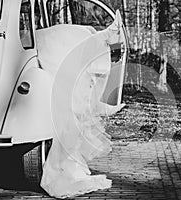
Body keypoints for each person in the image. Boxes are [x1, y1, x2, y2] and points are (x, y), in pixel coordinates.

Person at [36, 10, 125, 199]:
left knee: (74, 126)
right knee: (72, 124)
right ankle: (63, 169)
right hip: (68, 84)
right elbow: (95, 76)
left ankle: (69, 164)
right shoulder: (81, 39)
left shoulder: (80, 37)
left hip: (67, 72)